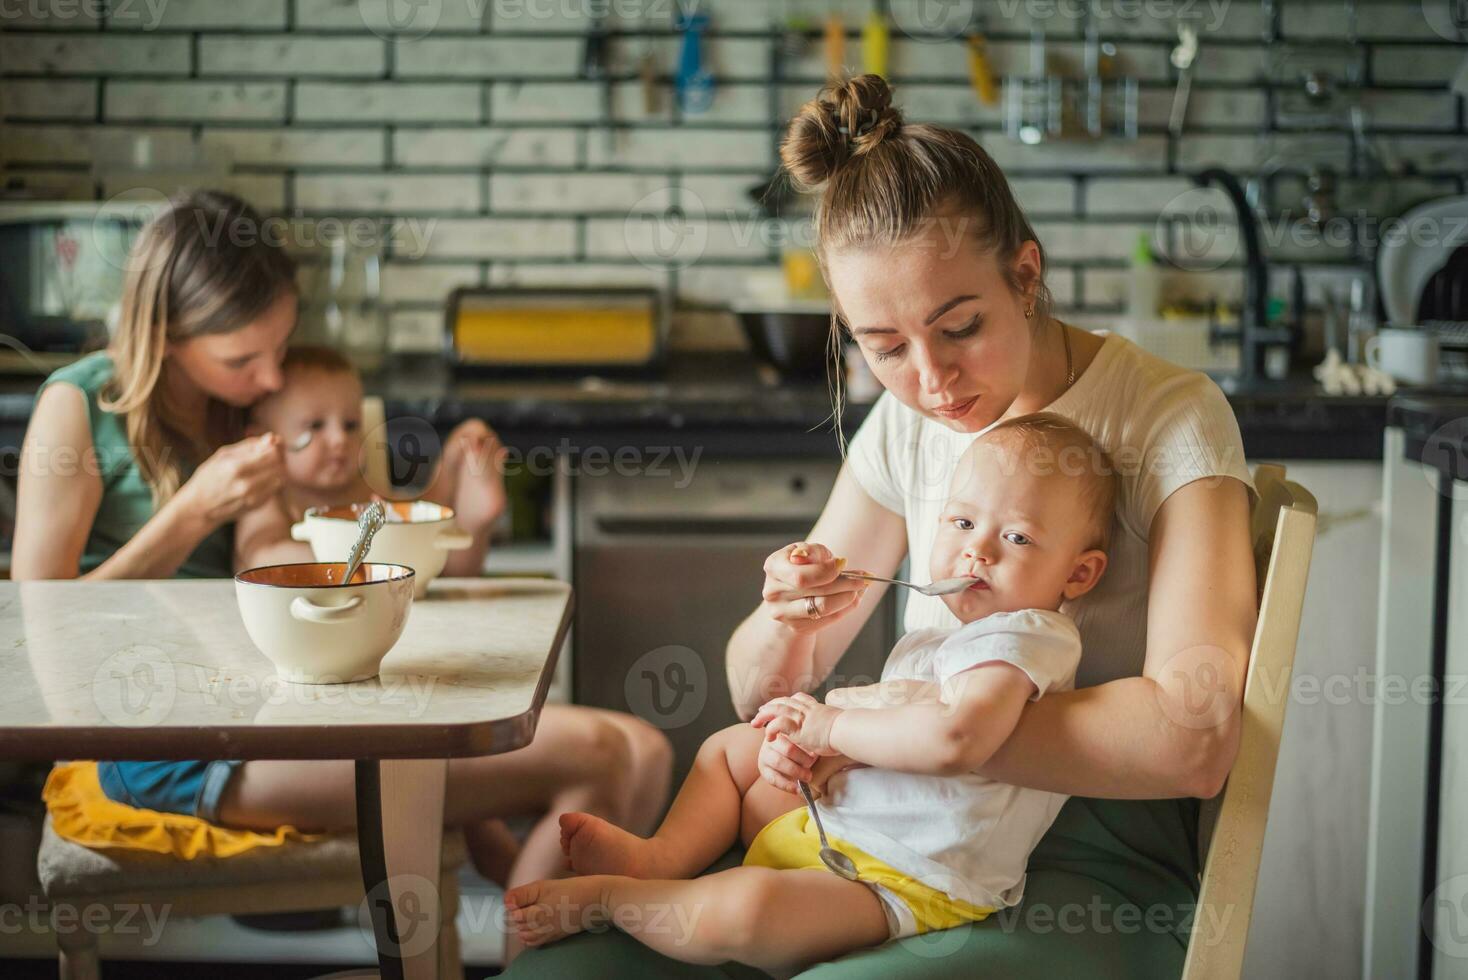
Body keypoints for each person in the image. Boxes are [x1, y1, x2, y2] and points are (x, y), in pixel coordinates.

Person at [504, 75, 1257, 978]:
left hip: (1090, 855)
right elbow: (757, 691)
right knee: (561, 971)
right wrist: (791, 624)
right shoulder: (908, 426)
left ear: (1026, 274)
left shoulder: (1167, 417)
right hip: (869, 813)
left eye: (961, 326)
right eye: (887, 347)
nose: (933, 380)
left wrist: (905, 730)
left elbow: (1194, 732)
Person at [13, 191, 672, 928]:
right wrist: (192, 512)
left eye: (279, 346)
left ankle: (539, 950)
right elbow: (37, 628)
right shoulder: (76, 410)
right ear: (166, 333)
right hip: (174, 739)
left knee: (639, 752)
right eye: (243, 358)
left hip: (296, 701)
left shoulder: (241, 407)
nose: (270, 377)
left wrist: (447, 512)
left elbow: (324, 554)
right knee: (612, 755)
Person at [502, 415, 1116, 974]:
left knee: (749, 912)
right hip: (835, 819)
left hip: (902, 876)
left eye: (1017, 539)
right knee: (732, 748)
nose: (976, 548)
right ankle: (662, 856)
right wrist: (797, 743)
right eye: (961, 522)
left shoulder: (1026, 637)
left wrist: (829, 729)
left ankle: (617, 898)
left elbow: (955, 738)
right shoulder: (945, 633)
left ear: (1078, 574)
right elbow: (896, 723)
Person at [233, 343, 504, 575]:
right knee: (425, 555)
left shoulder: (356, 486)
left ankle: (472, 517)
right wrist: (361, 552)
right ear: (261, 438)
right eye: (315, 426)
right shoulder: (267, 491)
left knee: (437, 545)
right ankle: (464, 520)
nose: (340, 439)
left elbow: (408, 525)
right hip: (313, 610)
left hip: (388, 589)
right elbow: (262, 556)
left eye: (351, 425)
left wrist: (447, 471)